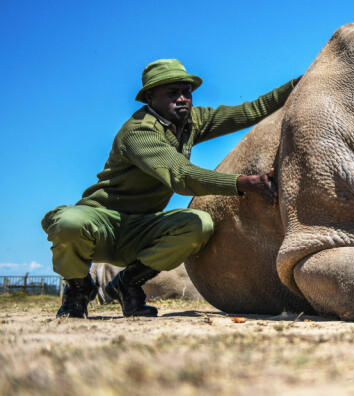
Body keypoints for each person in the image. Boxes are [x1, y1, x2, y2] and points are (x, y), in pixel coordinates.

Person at [42, 59, 298, 318]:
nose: (182, 99)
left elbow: (250, 111)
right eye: (172, 93)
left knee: (198, 224)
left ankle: (128, 284)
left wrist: (297, 84)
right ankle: (78, 289)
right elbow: (182, 176)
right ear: (150, 97)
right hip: (103, 223)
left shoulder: (191, 123)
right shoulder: (138, 132)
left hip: (142, 227)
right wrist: (244, 183)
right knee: (69, 223)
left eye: (186, 92)